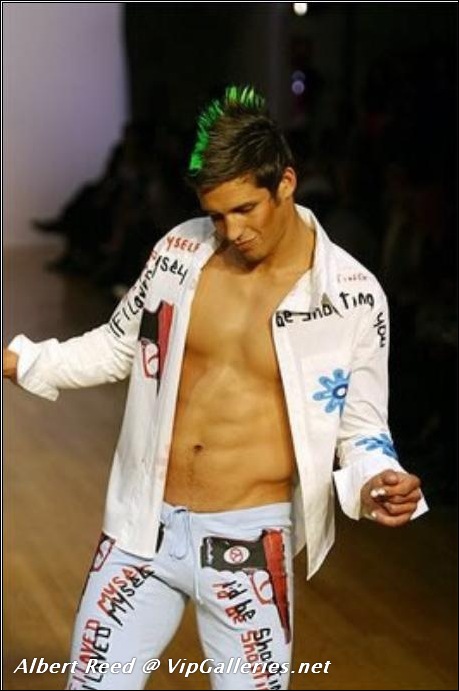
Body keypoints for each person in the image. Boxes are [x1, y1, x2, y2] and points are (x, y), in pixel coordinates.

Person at [3, 85, 428, 691]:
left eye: (245, 209)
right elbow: (119, 345)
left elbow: (361, 428)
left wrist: (378, 480)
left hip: (250, 545)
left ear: (286, 182)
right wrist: (19, 361)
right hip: (142, 530)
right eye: (217, 215)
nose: (232, 231)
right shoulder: (180, 253)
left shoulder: (351, 297)